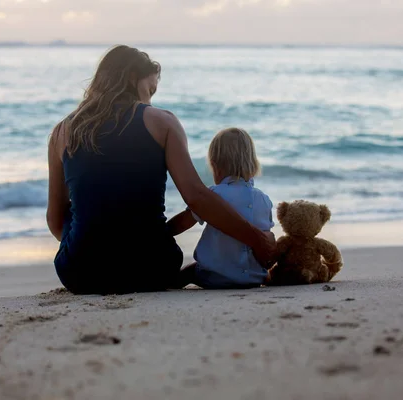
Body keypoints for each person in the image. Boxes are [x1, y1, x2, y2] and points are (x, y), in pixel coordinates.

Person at [46, 45, 275, 295]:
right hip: (152, 268)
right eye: (150, 89)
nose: (149, 100)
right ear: (133, 77)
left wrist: (96, 245)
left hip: (80, 273)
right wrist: (256, 240)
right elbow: (197, 198)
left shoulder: (62, 131)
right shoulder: (162, 121)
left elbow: (56, 220)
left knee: (75, 210)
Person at [168, 128, 274, 289]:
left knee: (189, 271)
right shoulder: (263, 199)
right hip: (252, 278)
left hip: (214, 276)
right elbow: (265, 240)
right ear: (253, 163)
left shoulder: (213, 195)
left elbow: (183, 223)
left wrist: (163, 231)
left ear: (216, 166)